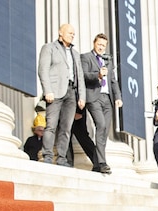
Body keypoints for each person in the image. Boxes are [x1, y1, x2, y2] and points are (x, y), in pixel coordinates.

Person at [37, 23, 85, 167]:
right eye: (69, 32)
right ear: (60, 32)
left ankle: (62, 158)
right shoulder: (49, 48)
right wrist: (47, 90)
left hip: (71, 92)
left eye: (73, 33)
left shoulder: (75, 54)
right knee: (51, 125)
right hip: (55, 91)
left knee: (66, 128)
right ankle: (47, 156)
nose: (72, 35)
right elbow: (43, 70)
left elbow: (80, 76)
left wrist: (81, 96)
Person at [81, 33, 122, 174]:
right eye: (99, 44)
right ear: (94, 43)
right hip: (94, 97)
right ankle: (102, 162)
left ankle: (97, 164)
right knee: (101, 125)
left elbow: (113, 81)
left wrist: (118, 97)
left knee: (104, 132)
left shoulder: (108, 61)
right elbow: (84, 75)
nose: (101, 47)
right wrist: (98, 75)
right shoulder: (86, 57)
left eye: (103, 45)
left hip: (107, 99)